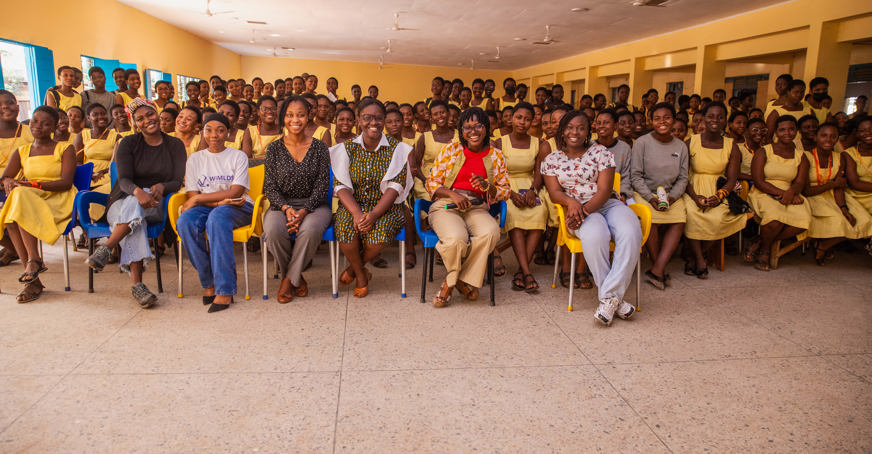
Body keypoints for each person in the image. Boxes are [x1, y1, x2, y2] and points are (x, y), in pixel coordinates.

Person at [542, 110, 642, 325]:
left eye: (581, 128)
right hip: (576, 210)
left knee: (631, 230)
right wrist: (572, 204)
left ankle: (609, 298)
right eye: (569, 127)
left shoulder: (601, 152)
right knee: (596, 235)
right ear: (562, 130)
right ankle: (614, 300)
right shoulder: (552, 159)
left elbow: (605, 190)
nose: (575, 132)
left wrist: (582, 211)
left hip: (606, 205)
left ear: (588, 131)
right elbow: (554, 193)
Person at [85, 98, 186, 307]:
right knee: (134, 221)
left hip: (156, 204)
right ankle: (137, 286)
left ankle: (108, 246)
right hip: (120, 202)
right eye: (140, 118)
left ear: (157, 114)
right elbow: (123, 180)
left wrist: (162, 187)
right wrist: (138, 191)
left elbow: (177, 179)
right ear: (135, 123)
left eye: (150, 114)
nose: (147, 120)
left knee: (134, 217)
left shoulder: (175, 144)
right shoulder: (128, 143)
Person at [425, 107, 510, 307]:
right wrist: (452, 193)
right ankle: (457, 282)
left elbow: (505, 191)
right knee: (456, 238)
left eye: (478, 126)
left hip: (477, 206)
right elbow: (431, 182)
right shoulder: (451, 150)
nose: (473, 131)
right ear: (461, 131)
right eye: (467, 127)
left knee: (490, 232)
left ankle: (454, 281)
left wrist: (488, 186)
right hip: (447, 204)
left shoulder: (497, 156)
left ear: (486, 128)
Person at [330, 98, 413, 298]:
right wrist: (357, 213)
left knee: (377, 239)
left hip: (386, 207)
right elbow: (340, 185)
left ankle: (352, 269)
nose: (373, 123)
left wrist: (374, 214)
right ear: (359, 120)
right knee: (347, 234)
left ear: (384, 120)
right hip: (353, 205)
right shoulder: (345, 149)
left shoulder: (398, 150)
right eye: (367, 118)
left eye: (378, 118)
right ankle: (360, 275)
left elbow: (395, 187)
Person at [177, 113, 252, 313]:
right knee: (185, 222)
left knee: (217, 219)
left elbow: (236, 192)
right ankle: (209, 283)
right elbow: (193, 193)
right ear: (202, 132)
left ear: (228, 133)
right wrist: (215, 201)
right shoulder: (195, 159)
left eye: (220, 130)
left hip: (238, 205)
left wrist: (199, 199)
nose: (214, 135)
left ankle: (225, 290)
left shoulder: (238, 156)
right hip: (209, 205)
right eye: (209, 130)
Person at [0, 106, 77, 302]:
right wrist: (8, 181)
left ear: (54, 127)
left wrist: (32, 184)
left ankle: (33, 270)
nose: (38, 126)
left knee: (15, 210)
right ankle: (33, 266)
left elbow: (66, 182)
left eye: (45, 123)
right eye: (35, 121)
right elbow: (5, 177)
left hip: (58, 199)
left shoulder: (64, 148)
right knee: (18, 200)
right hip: (29, 198)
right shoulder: (22, 151)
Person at [261, 96, 332, 303]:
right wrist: (286, 208)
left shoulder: (319, 147)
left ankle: (287, 281)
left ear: (308, 116)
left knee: (309, 230)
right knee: (273, 231)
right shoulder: (274, 148)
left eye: (300, 115)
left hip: (314, 206)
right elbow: (270, 186)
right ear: (283, 118)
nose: (295, 120)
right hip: (280, 205)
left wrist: (303, 211)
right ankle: (295, 278)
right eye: (290, 115)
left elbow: (322, 186)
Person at [683, 102, 747, 278]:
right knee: (691, 213)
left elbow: (732, 178)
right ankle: (700, 259)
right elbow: (682, 175)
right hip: (692, 188)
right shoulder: (691, 142)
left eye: (720, 117)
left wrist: (719, 196)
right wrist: (695, 196)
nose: (715, 120)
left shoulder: (731, 145)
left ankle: (698, 254)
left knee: (719, 217)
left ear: (725, 120)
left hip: (719, 188)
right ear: (703, 118)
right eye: (711, 116)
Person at [630, 103, 688, 288]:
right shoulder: (642, 143)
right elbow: (635, 176)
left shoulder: (681, 146)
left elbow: (683, 177)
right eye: (657, 118)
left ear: (674, 120)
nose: (662, 122)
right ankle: (659, 268)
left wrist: (673, 197)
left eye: (667, 118)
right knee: (650, 219)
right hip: (645, 193)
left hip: (671, 194)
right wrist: (651, 198)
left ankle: (657, 269)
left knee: (680, 219)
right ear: (651, 121)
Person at [496, 102, 550, 292]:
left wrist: (532, 190)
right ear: (511, 118)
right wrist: (509, 193)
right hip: (506, 186)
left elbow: (539, 173)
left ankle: (521, 271)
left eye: (528, 119)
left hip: (529, 185)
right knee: (513, 213)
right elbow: (495, 175)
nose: (523, 122)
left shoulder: (540, 144)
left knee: (539, 212)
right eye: (519, 117)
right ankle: (527, 273)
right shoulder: (500, 142)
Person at [746, 115, 812, 271]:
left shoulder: (801, 156)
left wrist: (791, 192)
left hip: (791, 191)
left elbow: (800, 182)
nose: (787, 133)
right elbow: (758, 180)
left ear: (797, 131)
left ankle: (761, 241)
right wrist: (783, 194)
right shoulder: (764, 151)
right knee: (774, 219)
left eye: (791, 129)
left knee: (804, 221)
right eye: (782, 130)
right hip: (764, 191)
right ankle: (765, 251)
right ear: (775, 132)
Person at [803, 123, 872, 263]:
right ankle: (822, 246)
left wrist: (844, 208)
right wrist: (833, 184)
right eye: (824, 135)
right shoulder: (805, 157)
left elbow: (839, 188)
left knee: (861, 220)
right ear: (816, 138)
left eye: (833, 136)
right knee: (840, 222)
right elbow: (806, 190)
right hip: (813, 197)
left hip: (833, 196)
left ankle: (822, 245)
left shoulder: (839, 157)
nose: (828, 139)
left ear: (837, 140)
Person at [411, 100, 457, 201]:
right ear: (431, 118)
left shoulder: (459, 136)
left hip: (454, 180)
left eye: (442, 112)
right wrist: (424, 180)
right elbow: (416, 164)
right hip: (428, 179)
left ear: (448, 113)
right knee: (428, 199)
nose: (440, 116)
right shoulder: (425, 137)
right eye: (435, 114)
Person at [765, 80, 811, 145]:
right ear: (788, 92)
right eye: (796, 92)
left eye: (802, 92)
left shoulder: (808, 110)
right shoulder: (777, 113)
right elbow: (768, 137)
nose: (799, 95)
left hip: (803, 149)